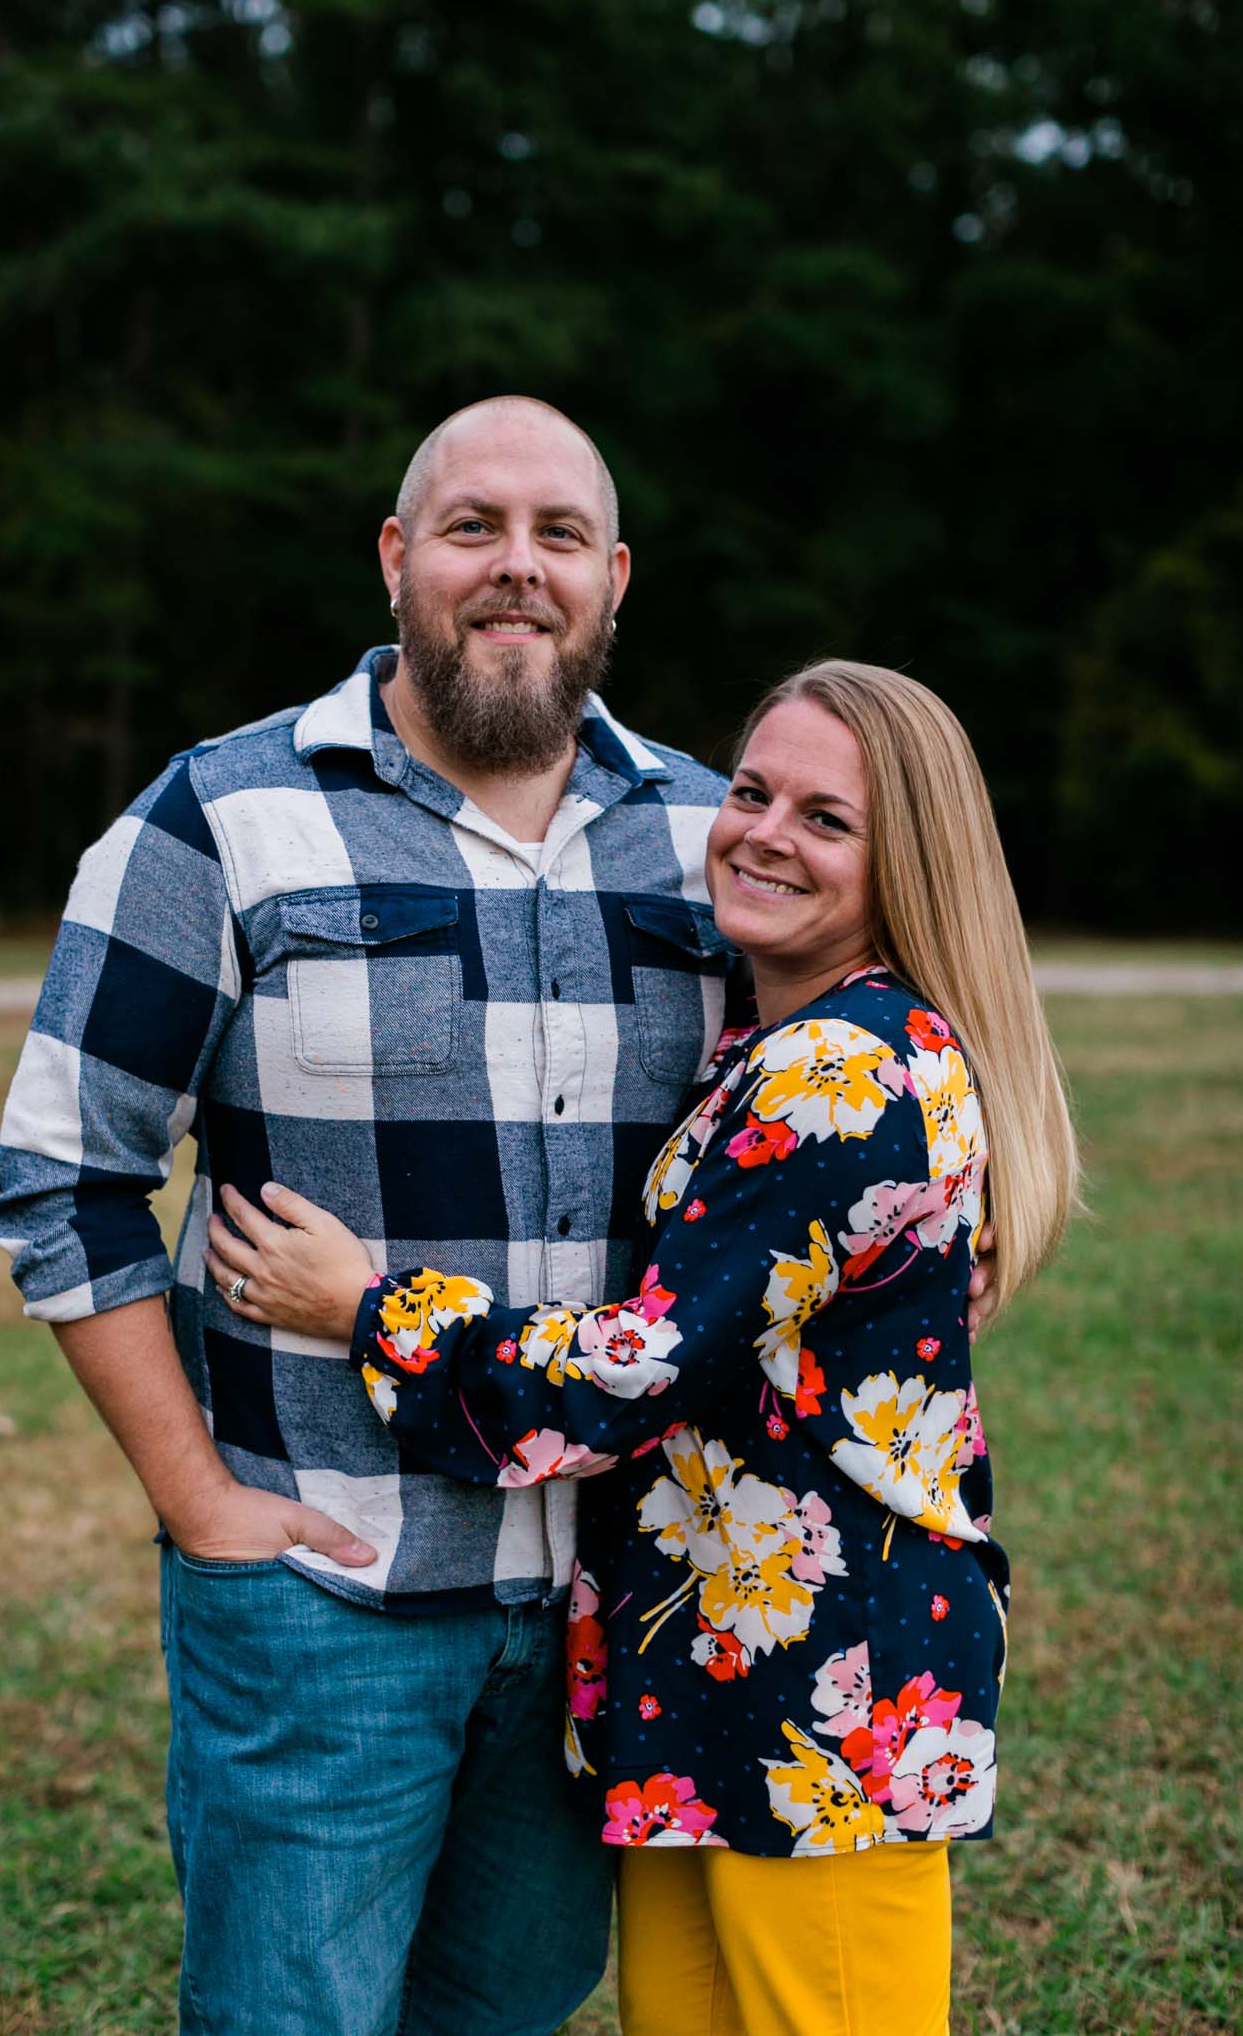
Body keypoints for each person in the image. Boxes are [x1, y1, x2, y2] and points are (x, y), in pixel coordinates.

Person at [0, 394, 761, 2036]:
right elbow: (65, 1172)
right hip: (321, 1592)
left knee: (510, 2007)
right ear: (399, 557)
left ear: (614, 580)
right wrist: (198, 1503)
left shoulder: (715, 843)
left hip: (608, 1602)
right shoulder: (221, 817)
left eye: (558, 536)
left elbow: (861, 1101)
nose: (515, 568)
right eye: (472, 527)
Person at [203, 659, 1075, 2036]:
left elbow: (633, 1376)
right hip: (706, 1670)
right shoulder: (771, 1039)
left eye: (825, 818)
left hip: (829, 1692)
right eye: (748, 790)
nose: (762, 831)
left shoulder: (842, 1072)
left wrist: (365, 1306)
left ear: (905, 858)